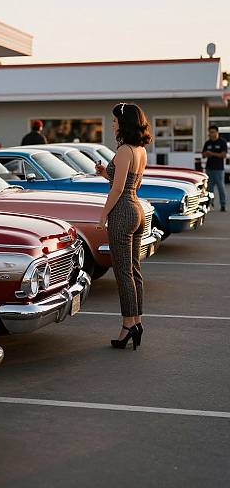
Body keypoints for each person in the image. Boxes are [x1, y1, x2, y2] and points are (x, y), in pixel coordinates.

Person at [95, 102, 151, 350]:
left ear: (124, 123)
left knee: (123, 272)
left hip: (122, 213)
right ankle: (137, 321)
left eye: (116, 120)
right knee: (134, 269)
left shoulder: (124, 150)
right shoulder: (140, 151)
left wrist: (102, 215)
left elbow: (118, 189)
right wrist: (104, 173)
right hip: (137, 209)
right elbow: (131, 184)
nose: (113, 123)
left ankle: (128, 325)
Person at [202, 125, 227, 212]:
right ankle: (209, 205)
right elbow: (203, 154)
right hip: (209, 168)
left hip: (219, 169)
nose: (211, 134)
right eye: (210, 132)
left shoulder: (222, 142)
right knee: (209, 188)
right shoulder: (207, 143)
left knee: (221, 187)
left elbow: (223, 155)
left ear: (217, 132)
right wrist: (206, 154)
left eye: (212, 132)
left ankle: (223, 205)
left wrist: (212, 154)